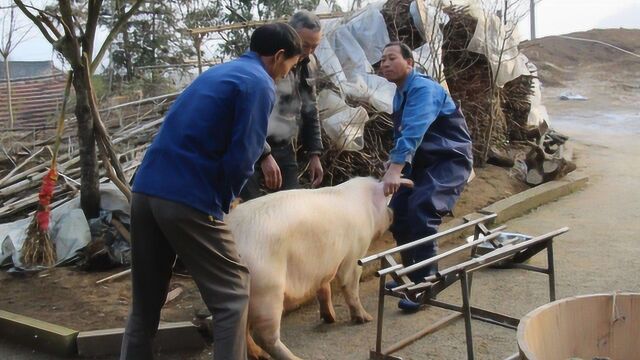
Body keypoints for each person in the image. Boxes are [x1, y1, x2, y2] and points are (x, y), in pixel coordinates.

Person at [119, 23, 302, 360]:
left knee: (145, 303)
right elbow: (240, 155)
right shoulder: (260, 83)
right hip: (186, 196)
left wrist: (263, 153)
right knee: (233, 296)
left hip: (146, 191)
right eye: (290, 65)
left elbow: (212, 124)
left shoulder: (221, 73)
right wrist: (223, 199)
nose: (286, 74)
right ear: (278, 56)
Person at [379, 42, 473, 312]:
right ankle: (410, 276)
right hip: (421, 163)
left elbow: (413, 131)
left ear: (410, 63)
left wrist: (396, 168)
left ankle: (425, 284)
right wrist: (392, 163)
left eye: (392, 58)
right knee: (397, 212)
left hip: (448, 160)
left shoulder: (423, 88)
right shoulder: (400, 93)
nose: (385, 64)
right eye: (382, 60)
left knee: (422, 208)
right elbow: (402, 136)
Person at [240, 10, 325, 200]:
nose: (308, 52)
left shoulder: (309, 64)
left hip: (284, 146)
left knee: (291, 204)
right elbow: (247, 116)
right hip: (253, 144)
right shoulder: (265, 62)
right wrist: (263, 154)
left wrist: (314, 153)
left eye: (315, 47)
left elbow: (310, 108)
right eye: (305, 45)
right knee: (251, 206)